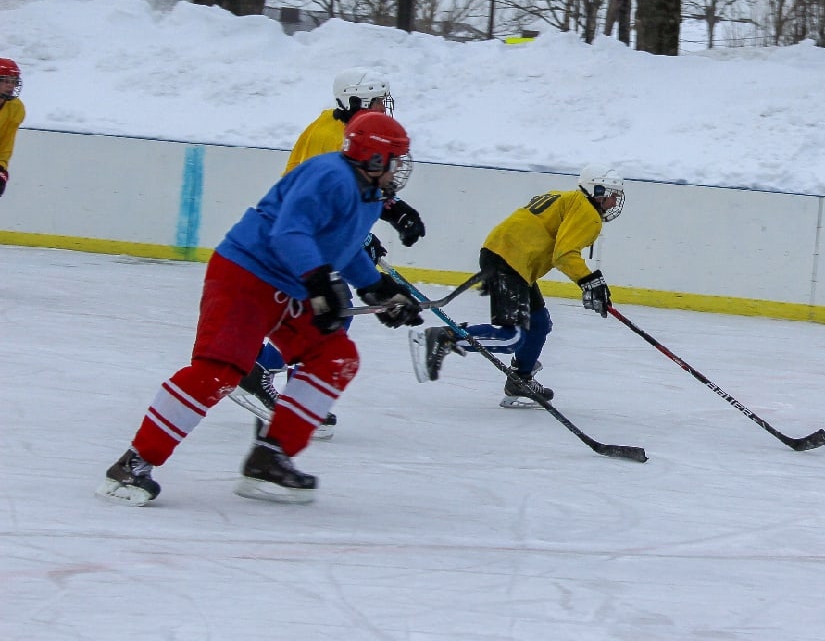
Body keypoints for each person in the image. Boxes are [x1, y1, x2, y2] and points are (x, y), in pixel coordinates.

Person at [97, 112, 425, 506]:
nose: (399, 169)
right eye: (395, 159)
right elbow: (290, 232)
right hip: (246, 275)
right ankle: (133, 465)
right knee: (218, 371)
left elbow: (346, 243)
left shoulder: (369, 196)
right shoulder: (329, 176)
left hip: (292, 284)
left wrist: (377, 288)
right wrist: (320, 283)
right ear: (374, 159)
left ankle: (269, 459)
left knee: (335, 356)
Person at [230, 68, 427, 433]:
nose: (384, 108)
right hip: (298, 242)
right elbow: (331, 198)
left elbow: (361, 189)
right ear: (352, 101)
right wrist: (360, 236)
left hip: (311, 236)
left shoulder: (347, 131)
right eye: (376, 101)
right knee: (326, 315)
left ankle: (268, 377)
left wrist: (395, 210)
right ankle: (283, 391)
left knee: (327, 314)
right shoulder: (330, 136)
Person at [410, 165, 625, 407]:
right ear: (597, 191)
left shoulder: (568, 198)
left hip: (507, 256)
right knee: (510, 337)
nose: (615, 201)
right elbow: (564, 255)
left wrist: (589, 281)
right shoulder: (588, 212)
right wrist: (589, 281)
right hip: (509, 260)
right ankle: (444, 337)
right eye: (613, 194)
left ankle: (520, 380)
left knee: (539, 324)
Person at [0, 58, 22, 199]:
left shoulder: (16, 108)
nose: (10, 86)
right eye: (6, 81)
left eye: (13, 81)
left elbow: (6, 144)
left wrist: (1, 169)